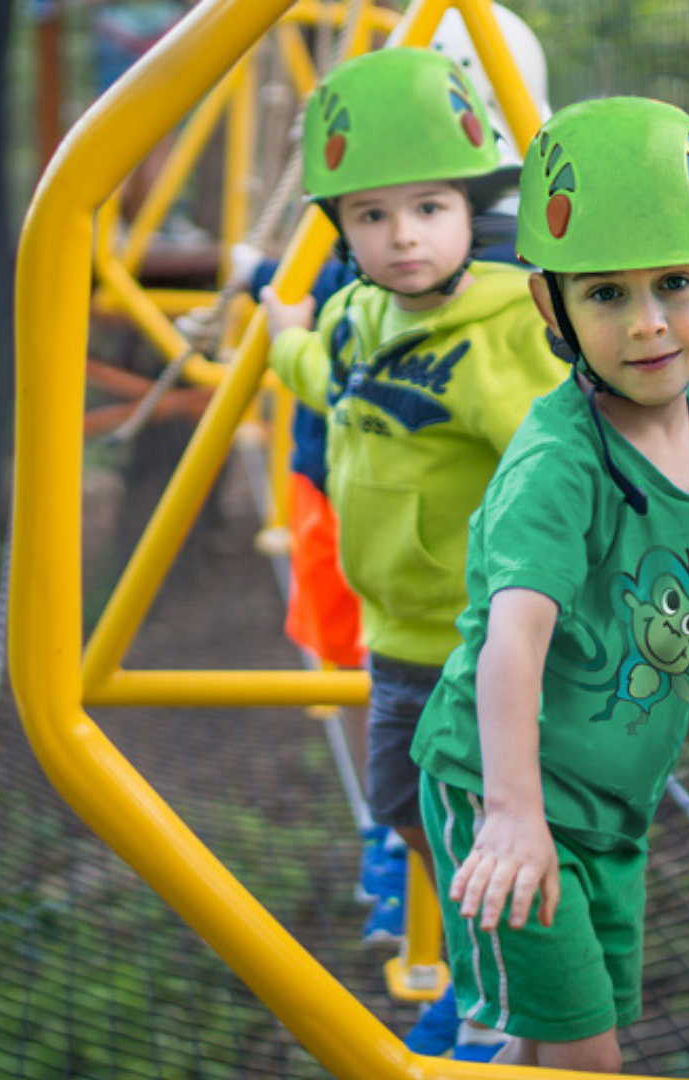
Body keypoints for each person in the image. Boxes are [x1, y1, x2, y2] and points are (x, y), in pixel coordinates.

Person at [411, 95, 689, 1074]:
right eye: (605, 294)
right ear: (549, 306)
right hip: (503, 789)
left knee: (556, 1038)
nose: (648, 324)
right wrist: (513, 813)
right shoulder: (558, 463)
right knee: (586, 1055)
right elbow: (514, 634)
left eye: (674, 284)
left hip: (611, 811)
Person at [259, 45, 565, 1058]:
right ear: (341, 230)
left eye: (430, 208)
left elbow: (561, 458)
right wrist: (278, 334)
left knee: (488, 832)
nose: (402, 237)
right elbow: (325, 382)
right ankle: (488, 972)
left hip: (487, 644)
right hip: (396, 638)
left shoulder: (501, 332)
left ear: (472, 211)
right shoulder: (352, 317)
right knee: (406, 811)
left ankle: (495, 1004)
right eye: (372, 217)